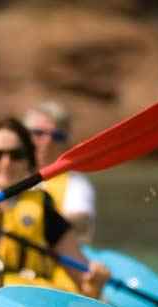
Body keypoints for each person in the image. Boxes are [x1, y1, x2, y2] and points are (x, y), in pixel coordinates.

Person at [0, 117, 110, 299]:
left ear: (29, 162)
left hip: (25, 306)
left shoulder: (45, 213)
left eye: (16, 155)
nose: (6, 163)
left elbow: (85, 286)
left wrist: (95, 282)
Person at [23, 100, 97, 245]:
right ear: (23, 137)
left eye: (57, 137)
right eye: (39, 133)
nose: (47, 142)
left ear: (66, 144)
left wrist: (30, 219)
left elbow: (81, 221)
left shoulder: (76, 183)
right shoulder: (4, 175)